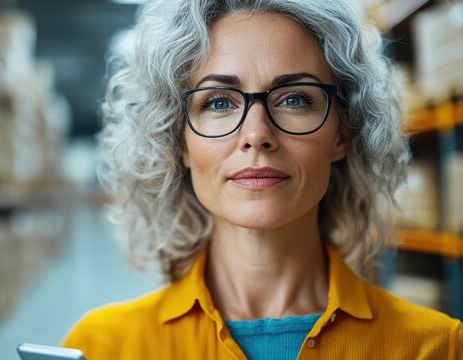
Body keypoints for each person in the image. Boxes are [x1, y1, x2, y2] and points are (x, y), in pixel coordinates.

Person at [63, 0, 462, 358]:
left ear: (344, 133)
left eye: (295, 99)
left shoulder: (434, 347)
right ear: (177, 141)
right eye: (218, 102)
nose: (257, 135)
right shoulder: (101, 347)